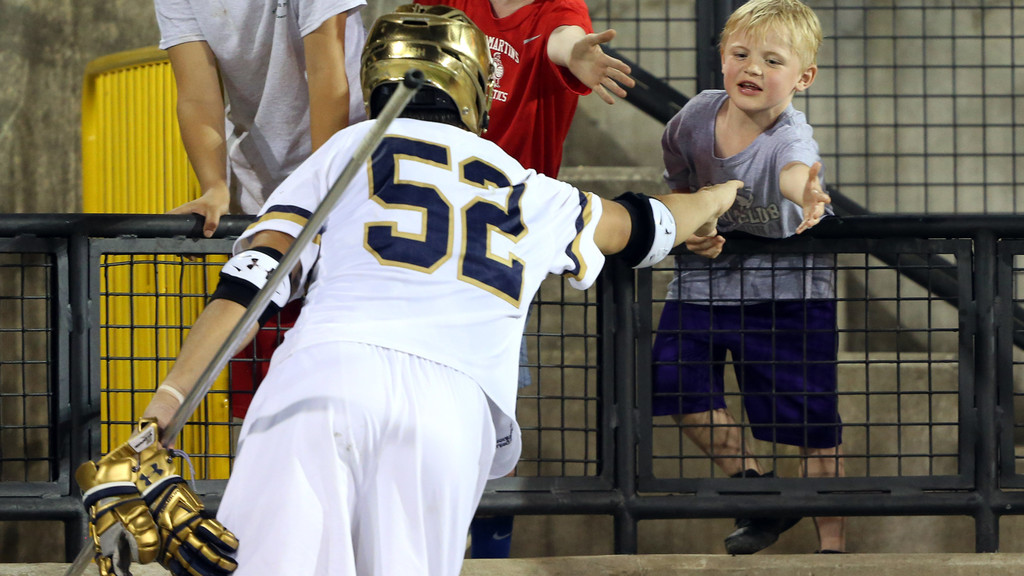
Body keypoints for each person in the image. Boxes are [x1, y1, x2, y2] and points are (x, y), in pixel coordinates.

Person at [77, 6, 739, 576]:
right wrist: (716, 197)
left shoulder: (342, 153)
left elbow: (248, 284)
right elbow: (645, 224)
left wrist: (156, 421)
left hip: (320, 381)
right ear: (476, 87)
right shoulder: (523, 183)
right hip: (449, 412)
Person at [410, 0, 636, 557]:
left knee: (489, 414)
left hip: (500, 243)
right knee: (418, 409)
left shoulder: (557, 11)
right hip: (428, 226)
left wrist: (575, 53)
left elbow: (563, 38)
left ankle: (489, 557)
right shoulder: (453, 5)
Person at [648, 0, 844, 555]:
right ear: (722, 58)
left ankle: (833, 548)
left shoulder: (790, 136)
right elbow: (680, 183)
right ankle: (756, 491)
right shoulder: (694, 117)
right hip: (706, 279)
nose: (752, 68)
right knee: (675, 382)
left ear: (803, 78)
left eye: (772, 60)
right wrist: (692, 225)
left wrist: (808, 192)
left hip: (788, 289)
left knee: (812, 424)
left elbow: (793, 170)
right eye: (740, 54)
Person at [153, 0, 368, 427]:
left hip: (348, 187)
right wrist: (215, 185)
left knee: (347, 404)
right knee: (263, 411)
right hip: (263, 194)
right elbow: (196, 94)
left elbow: (328, 75)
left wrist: (317, 191)